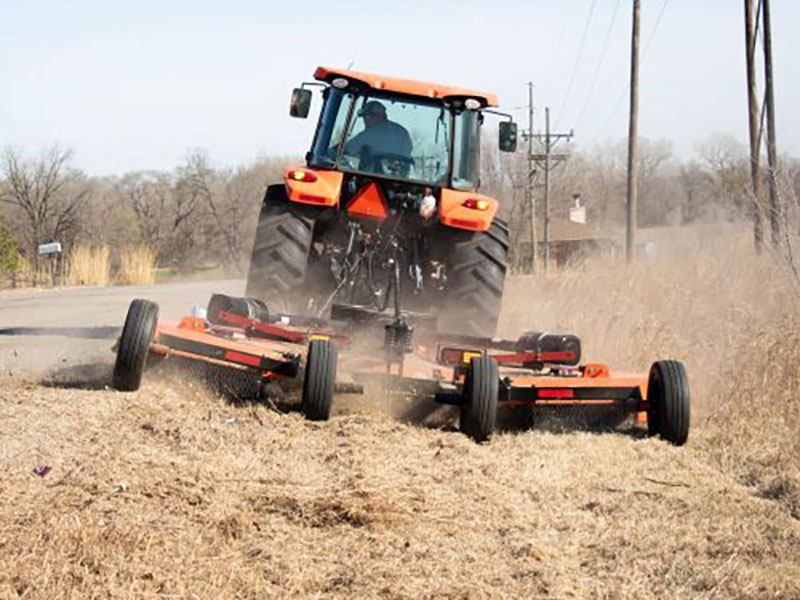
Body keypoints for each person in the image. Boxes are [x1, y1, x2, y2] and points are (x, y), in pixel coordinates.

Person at [343, 101, 413, 165]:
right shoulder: (402, 132)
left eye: (368, 116)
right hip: (401, 176)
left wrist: (335, 152)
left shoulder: (369, 134)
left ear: (381, 116)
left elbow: (345, 150)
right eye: (365, 117)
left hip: (374, 175)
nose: (365, 121)